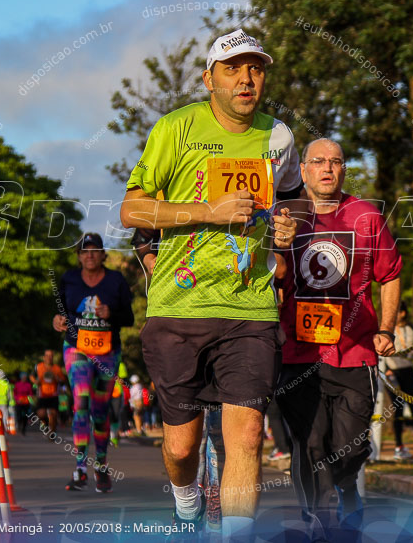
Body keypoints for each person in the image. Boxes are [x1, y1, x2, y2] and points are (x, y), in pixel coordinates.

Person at [120, 28, 301, 539]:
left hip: (251, 308)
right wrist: (208, 211)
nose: (246, 79)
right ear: (209, 79)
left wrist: (287, 225)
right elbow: (132, 208)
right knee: (181, 448)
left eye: (256, 68)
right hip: (180, 304)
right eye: (232, 69)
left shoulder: (279, 136)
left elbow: (290, 201)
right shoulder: (175, 129)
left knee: (246, 436)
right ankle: (186, 498)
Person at [276, 138, 401, 540]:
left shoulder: (365, 215)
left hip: (355, 352)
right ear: (305, 170)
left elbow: (391, 273)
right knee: (310, 446)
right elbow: (272, 275)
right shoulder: (286, 215)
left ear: (344, 170)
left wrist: (386, 328)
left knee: (348, 448)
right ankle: (320, 520)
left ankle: (348, 490)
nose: (327, 168)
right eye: (318, 162)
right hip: (297, 353)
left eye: (336, 162)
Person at [51, 232, 135, 493]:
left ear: (102, 255)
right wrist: (57, 320)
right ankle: (79, 469)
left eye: (94, 250)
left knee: (100, 412)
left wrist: (112, 313)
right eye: (84, 251)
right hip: (77, 348)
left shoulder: (115, 281)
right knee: (81, 399)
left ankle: (100, 465)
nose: (89, 255)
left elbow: (129, 318)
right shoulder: (69, 279)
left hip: (107, 352)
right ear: (78, 256)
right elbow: (60, 311)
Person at [381, 302, 413, 460]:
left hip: (408, 370)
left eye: (398, 311)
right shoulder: (387, 328)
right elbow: (381, 349)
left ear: (404, 313)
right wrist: (385, 368)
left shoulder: (410, 328)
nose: (396, 314)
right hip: (392, 372)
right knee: (398, 409)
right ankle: (399, 446)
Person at [31, 349, 65, 437]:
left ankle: (52, 433)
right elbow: (31, 376)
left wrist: (57, 379)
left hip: (53, 395)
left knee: (53, 414)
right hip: (42, 395)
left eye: (51, 356)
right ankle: (46, 425)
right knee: (41, 414)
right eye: (47, 355)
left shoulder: (57, 368)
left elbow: (63, 381)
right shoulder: (38, 367)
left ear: (53, 357)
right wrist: (36, 382)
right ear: (44, 357)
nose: (49, 358)